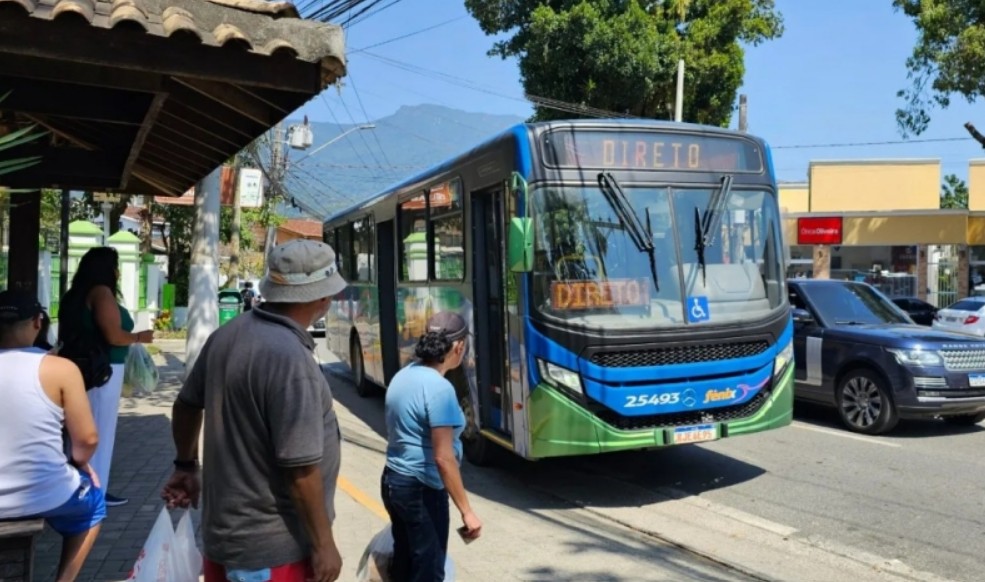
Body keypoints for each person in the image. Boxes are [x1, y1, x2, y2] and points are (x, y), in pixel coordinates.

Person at [162, 239, 348, 582]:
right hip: (273, 554)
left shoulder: (228, 334)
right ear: (321, 297)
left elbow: (186, 405)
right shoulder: (290, 360)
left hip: (225, 542)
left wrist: (185, 464)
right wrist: (324, 544)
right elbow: (300, 467)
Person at [0, 290, 106, 581]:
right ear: (37, 322)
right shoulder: (60, 369)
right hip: (42, 493)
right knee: (93, 507)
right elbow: (88, 440)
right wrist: (81, 463)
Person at [381, 311, 483, 582]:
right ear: (459, 347)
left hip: (393, 481)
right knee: (429, 570)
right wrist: (467, 511)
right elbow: (443, 458)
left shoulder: (404, 375)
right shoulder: (439, 389)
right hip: (421, 490)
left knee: (404, 563)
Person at [58, 246, 154, 507]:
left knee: (74, 430)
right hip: (102, 371)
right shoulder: (101, 294)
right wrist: (138, 337)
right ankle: (93, 489)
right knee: (99, 428)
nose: (118, 271)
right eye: (115, 265)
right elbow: (114, 335)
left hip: (78, 368)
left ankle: (75, 485)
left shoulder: (74, 295)